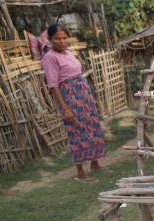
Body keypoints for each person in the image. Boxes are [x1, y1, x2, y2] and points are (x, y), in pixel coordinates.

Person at [41, 23, 109, 183]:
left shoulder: (68, 53)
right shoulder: (50, 57)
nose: (62, 41)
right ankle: (81, 173)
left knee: (92, 127)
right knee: (77, 133)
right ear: (50, 40)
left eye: (64, 38)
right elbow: (53, 85)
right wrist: (65, 109)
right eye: (57, 39)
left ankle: (95, 164)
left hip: (83, 95)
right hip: (69, 97)